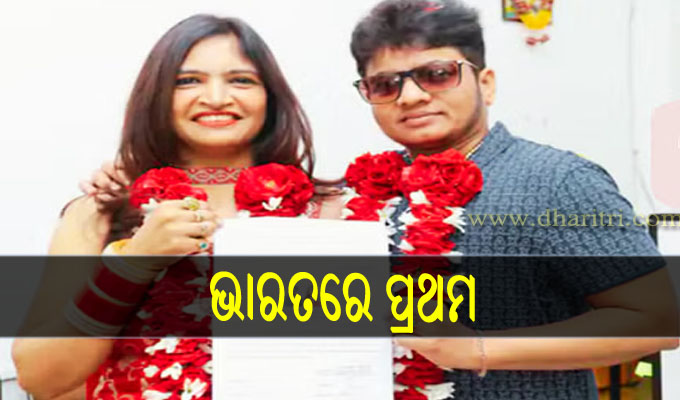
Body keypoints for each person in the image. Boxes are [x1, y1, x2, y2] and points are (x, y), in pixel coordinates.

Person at [348, 0, 678, 399]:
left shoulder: (558, 181)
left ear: (485, 84)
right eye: (385, 84)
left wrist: (479, 349)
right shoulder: (369, 191)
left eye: (436, 75)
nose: (410, 96)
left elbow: (658, 320)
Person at [12, 14, 340, 400]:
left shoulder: (330, 212)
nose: (216, 98)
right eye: (188, 81)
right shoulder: (101, 212)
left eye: (241, 80)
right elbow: (39, 377)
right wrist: (133, 263)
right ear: (157, 96)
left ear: (271, 97)